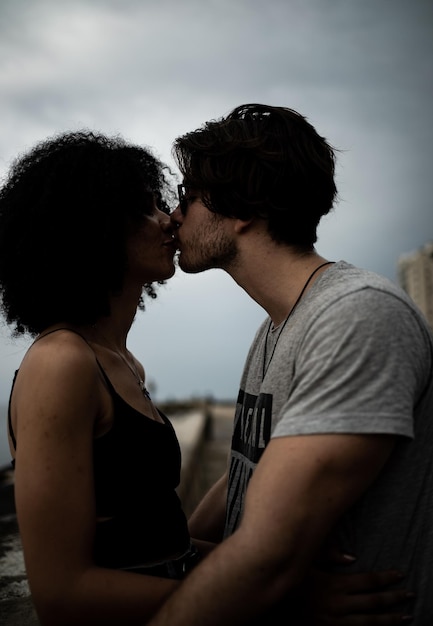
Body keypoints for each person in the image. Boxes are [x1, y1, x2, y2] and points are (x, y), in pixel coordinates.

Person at [0, 129, 411, 626]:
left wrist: (266, 575)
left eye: (180, 200)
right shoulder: (61, 361)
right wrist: (271, 593)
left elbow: (158, 542)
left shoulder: (124, 362)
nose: (169, 218)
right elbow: (62, 594)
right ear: (98, 228)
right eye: (150, 206)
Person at [145, 103, 433, 625]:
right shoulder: (277, 325)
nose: (175, 214)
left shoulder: (358, 314)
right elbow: (244, 473)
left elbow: (265, 560)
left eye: (187, 196)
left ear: (242, 210)